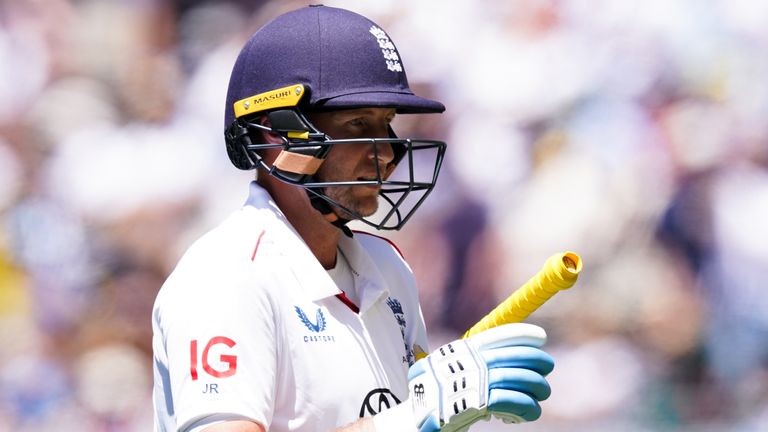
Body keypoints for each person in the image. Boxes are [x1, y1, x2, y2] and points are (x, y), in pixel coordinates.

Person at [152, 5, 555, 432]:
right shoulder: (226, 275)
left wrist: (445, 411)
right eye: (358, 122)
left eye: (387, 123)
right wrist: (407, 418)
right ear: (276, 134)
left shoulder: (387, 269)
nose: (384, 153)